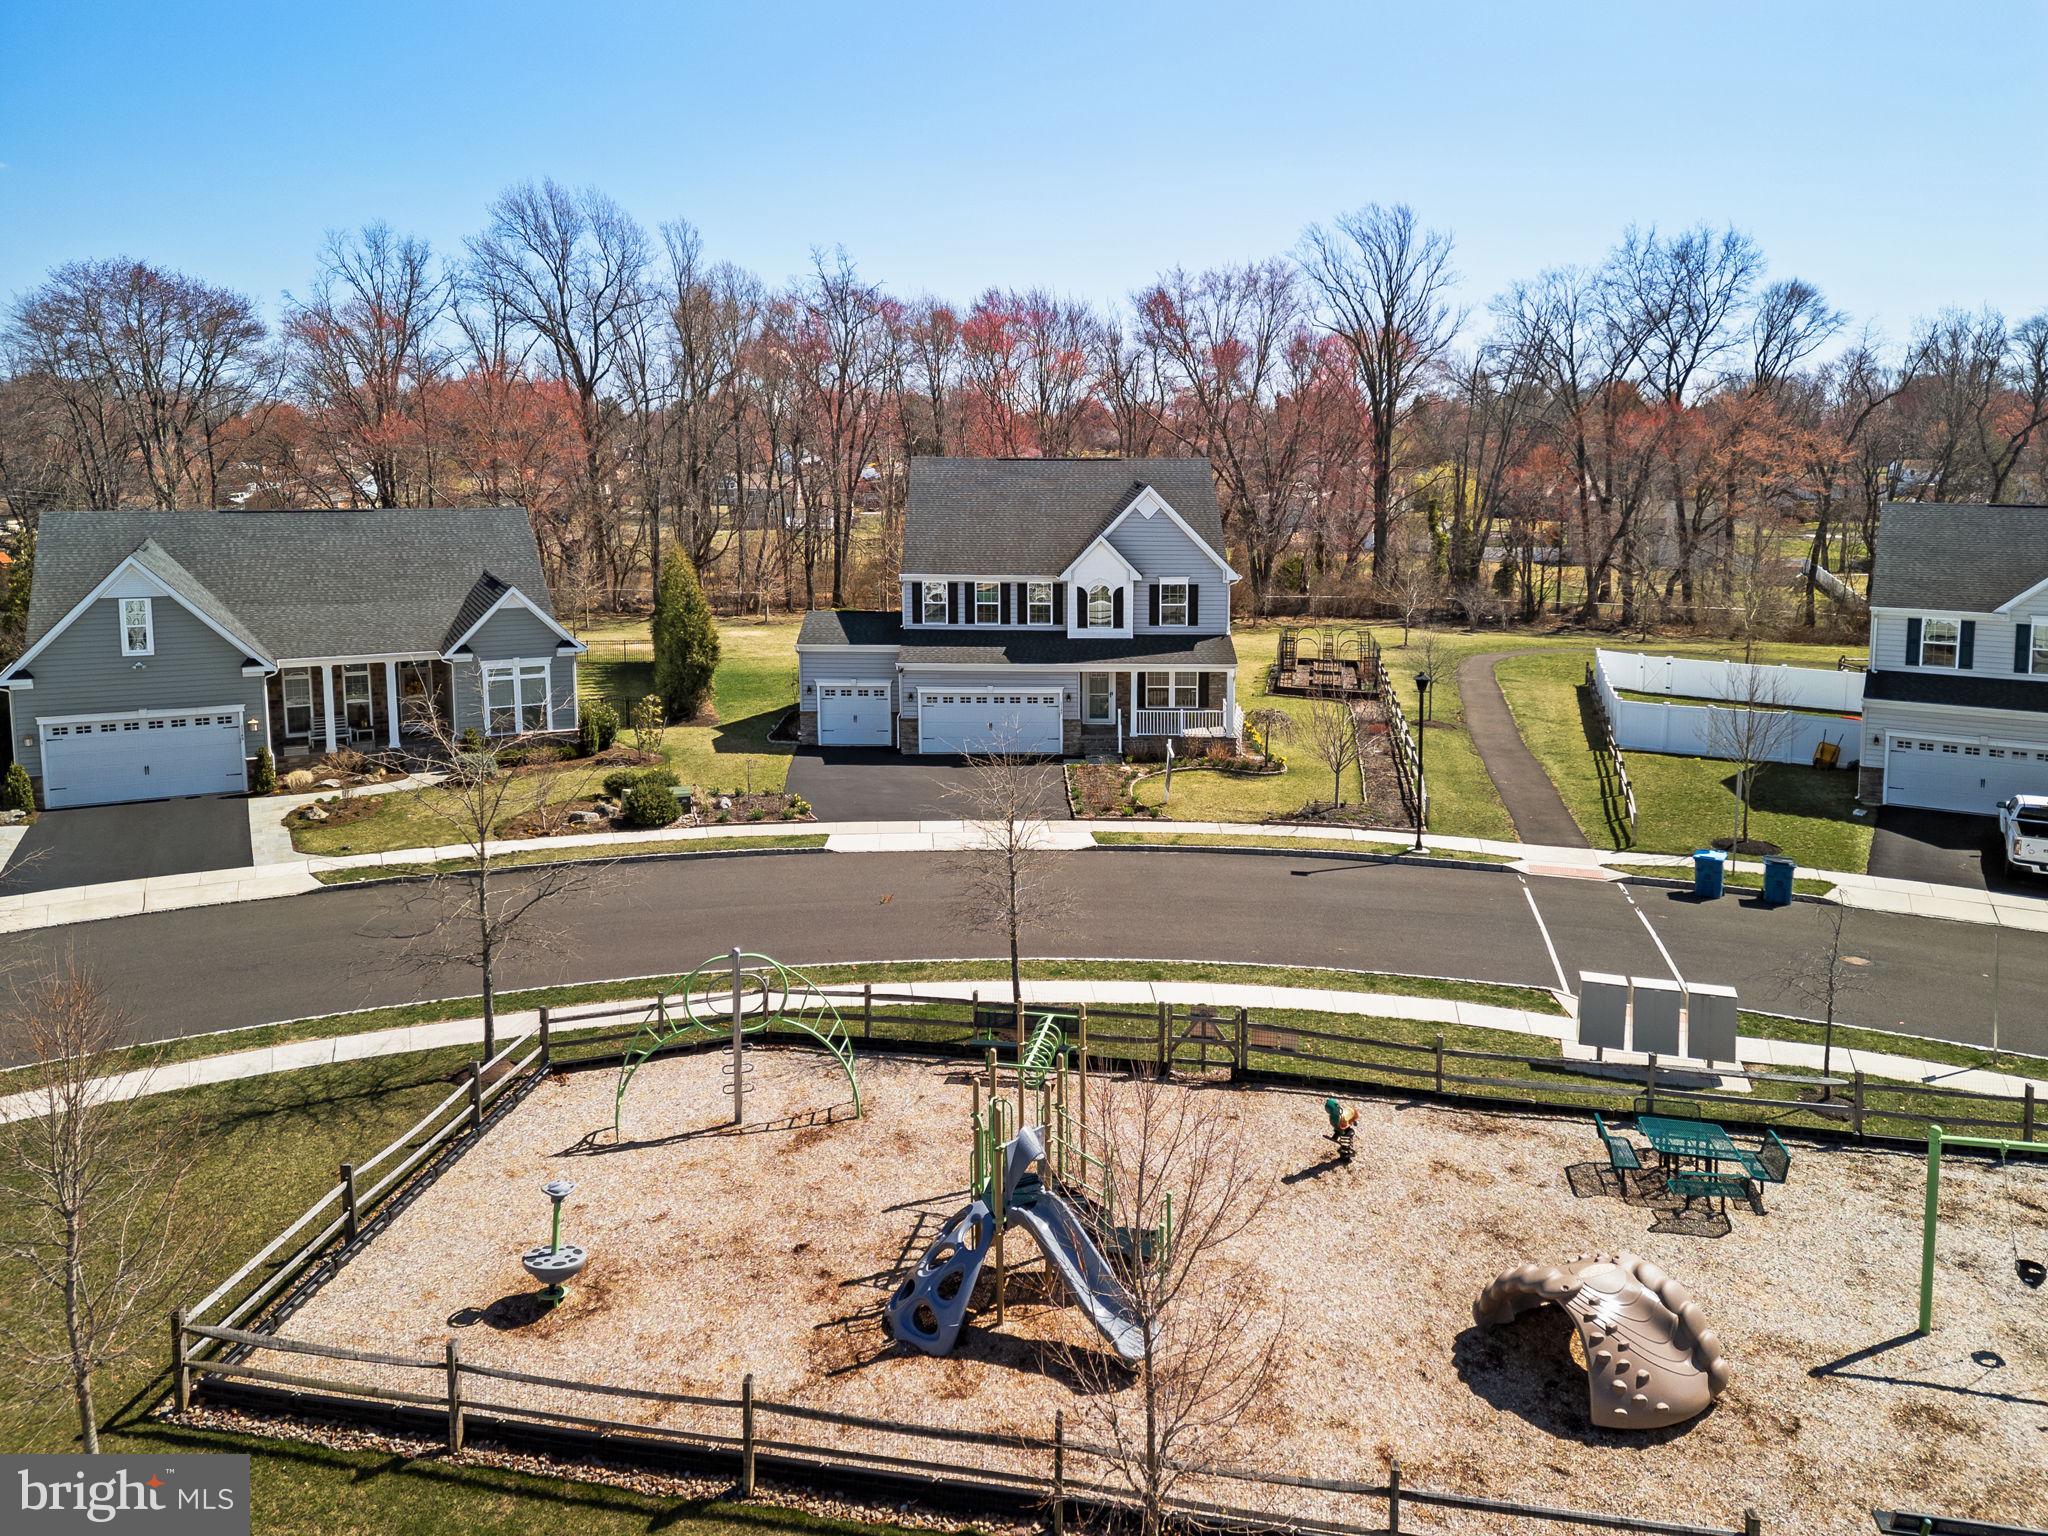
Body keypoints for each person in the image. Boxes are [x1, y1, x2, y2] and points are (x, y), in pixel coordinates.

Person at [1324, 1097, 1359, 1163]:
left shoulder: (1343, 1117)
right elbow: (1337, 1126)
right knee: (1343, 1140)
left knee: (1346, 1142)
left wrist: (1341, 1130)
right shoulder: (1333, 1116)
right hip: (1342, 1122)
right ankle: (1343, 1155)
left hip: (1347, 1128)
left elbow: (1344, 1126)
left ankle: (1346, 1157)